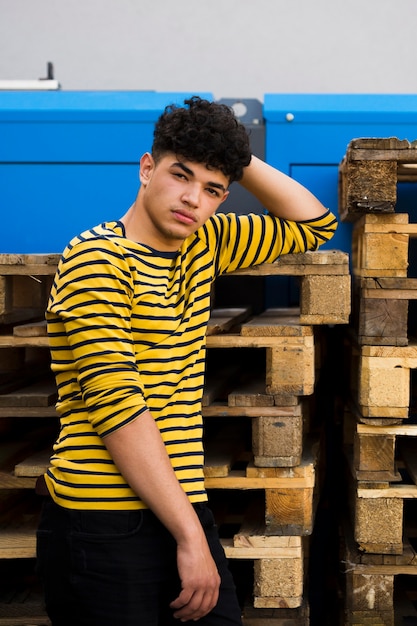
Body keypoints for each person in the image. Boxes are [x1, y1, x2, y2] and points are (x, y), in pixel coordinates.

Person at [36, 95, 337, 626]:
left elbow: (315, 223)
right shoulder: (95, 258)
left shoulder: (207, 243)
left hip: (179, 505)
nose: (193, 199)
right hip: (101, 519)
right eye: (181, 175)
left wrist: (234, 155)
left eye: (213, 190)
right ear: (147, 168)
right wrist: (191, 537)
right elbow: (117, 408)